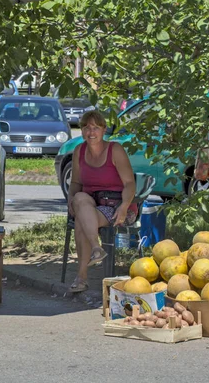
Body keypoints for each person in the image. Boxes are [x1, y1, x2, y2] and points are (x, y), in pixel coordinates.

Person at [67, 110, 138, 293]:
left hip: (118, 206)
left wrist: (124, 206)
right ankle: (97, 247)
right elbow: (75, 182)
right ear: (82, 130)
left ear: (104, 130)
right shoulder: (79, 151)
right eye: (87, 127)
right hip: (92, 204)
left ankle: (82, 276)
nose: (91, 132)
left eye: (96, 128)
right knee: (79, 199)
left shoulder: (115, 150)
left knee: (82, 223)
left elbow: (130, 184)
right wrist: (70, 200)